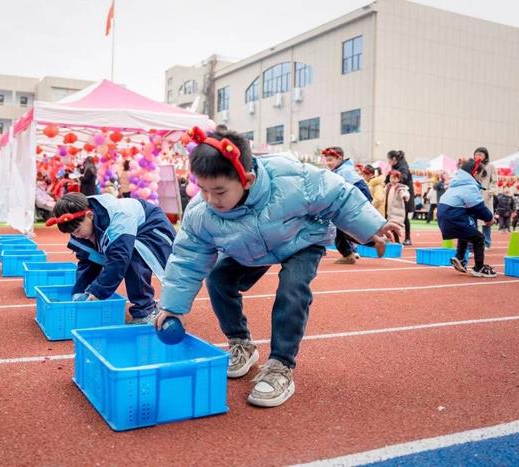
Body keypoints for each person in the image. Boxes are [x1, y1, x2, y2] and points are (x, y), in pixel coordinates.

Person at [154, 126, 399, 408]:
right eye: (203, 189)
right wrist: (172, 306)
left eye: (219, 191)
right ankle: (241, 343)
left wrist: (373, 226)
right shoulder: (202, 212)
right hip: (250, 248)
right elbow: (188, 257)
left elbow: (340, 196)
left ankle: (281, 365)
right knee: (219, 278)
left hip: (301, 239)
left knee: (293, 288)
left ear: (247, 179)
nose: (210, 199)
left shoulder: (293, 178)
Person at [46, 192, 175, 323]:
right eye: (72, 233)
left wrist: (97, 292)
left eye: (77, 231)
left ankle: (146, 310)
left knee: (132, 257)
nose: (76, 236)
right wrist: (80, 291)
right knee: (92, 253)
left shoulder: (119, 219)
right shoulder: (81, 223)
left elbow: (118, 261)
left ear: (90, 215)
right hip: (123, 230)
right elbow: (87, 260)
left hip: (151, 228)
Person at [437, 159, 497, 278]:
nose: (481, 179)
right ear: (474, 174)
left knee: (465, 233)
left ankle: (459, 258)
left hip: (445, 215)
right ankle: (479, 268)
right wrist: (490, 218)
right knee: (479, 238)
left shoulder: (456, 184)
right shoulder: (469, 187)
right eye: (480, 176)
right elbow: (479, 208)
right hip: (453, 216)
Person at [322, 147, 373, 264]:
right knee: (339, 228)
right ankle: (349, 254)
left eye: (330, 160)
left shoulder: (344, 171)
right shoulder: (339, 170)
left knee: (347, 228)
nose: (328, 163)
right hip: (353, 196)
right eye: (327, 160)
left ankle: (375, 242)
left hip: (359, 195)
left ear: (339, 158)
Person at [385, 150, 415, 245]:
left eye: (389, 159)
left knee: (404, 217)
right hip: (394, 195)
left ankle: (407, 238)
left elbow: (404, 178)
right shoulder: (395, 166)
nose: (388, 162)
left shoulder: (403, 166)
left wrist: (396, 181)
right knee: (391, 217)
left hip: (403, 194)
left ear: (394, 159)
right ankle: (396, 239)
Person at [472, 147, 498, 248]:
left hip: (486, 195)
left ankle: (486, 242)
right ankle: (475, 242)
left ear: (485, 156)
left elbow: (494, 180)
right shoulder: (473, 166)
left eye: (481, 154)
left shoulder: (490, 166)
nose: (478, 156)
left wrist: (490, 192)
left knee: (486, 220)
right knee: (473, 219)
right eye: (476, 154)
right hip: (474, 195)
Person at [385, 170, 410, 243]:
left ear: (398, 179)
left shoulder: (400, 187)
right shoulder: (388, 186)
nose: (392, 180)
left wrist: (404, 196)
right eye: (391, 178)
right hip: (389, 211)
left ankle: (397, 242)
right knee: (390, 228)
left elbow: (404, 192)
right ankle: (394, 242)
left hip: (396, 211)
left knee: (393, 228)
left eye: (395, 178)